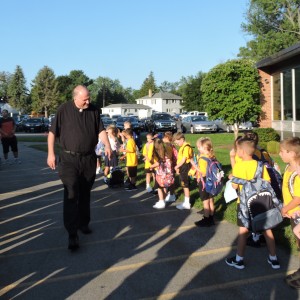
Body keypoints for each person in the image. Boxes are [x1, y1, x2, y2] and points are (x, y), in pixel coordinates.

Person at [47, 85, 112, 251]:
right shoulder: (64, 109)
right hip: (69, 159)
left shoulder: (94, 110)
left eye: (89, 98)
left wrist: (108, 145)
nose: (88, 102)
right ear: (75, 98)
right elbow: (52, 133)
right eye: (85, 99)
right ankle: (72, 233)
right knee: (71, 192)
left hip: (88, 159)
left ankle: (84, 223)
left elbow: (101, 130)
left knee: (85, 192)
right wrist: (51, 153)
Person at [225, 138, 280, 270]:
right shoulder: (260, 165)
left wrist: (232, 177)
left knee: (243, 232)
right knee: (267, 229)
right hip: (260, 202)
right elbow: (266, 180)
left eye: (238, 149)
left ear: (242, 152)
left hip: (244, 204)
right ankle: (273, 259)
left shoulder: (239, 166)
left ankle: (239, 259)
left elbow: (234, 186)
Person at [279, 137, 300, 288]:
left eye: (282, 151)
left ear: (292, 153)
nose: (279, 154)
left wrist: (285, 208)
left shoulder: (298, 173)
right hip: (293, 214)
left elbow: (298, 198)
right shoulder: (288, 168)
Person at [194, 137, 216, 227]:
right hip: (212, 181)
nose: (198, 149)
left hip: (204, 181)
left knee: (205, 201)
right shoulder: (211, 156)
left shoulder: (203, 158)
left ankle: (206, 219)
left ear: (205, 148)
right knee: (211, 200)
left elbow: (202, 172)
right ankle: (211, 217)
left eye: (200, 147)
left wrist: (193, 165)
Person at [173, 132, 193, 210]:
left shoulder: (186, 147)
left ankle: (187, 203)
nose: (177, 144)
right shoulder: (183, 147)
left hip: (185, 167)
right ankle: (186, 201)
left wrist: (177, 166)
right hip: (182, 167)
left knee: (185, 185)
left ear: (181, 139)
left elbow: (184, 159)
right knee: (183, 184)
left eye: (177, 142)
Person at [151, 138, 173, 209]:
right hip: (168, 174)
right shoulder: (166, 152)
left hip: (161, 174)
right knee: (164, 187)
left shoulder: (160, 156)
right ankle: (163, 199)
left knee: (159, 188)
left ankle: (161, 201)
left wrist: (151, 166)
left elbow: (158, 163)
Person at [163, 131, 177, 203]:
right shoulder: (172, 146)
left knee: (168, 181)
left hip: (168, 165)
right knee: (170, 180)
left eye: (163, 137)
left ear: (167, 138)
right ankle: (170, 194)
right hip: (170, 165)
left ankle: (169, 195)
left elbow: (175, 156)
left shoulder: (167, 146)